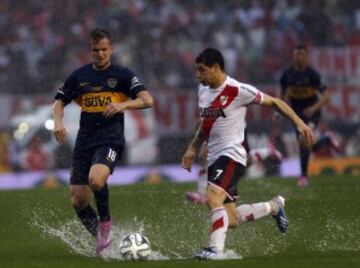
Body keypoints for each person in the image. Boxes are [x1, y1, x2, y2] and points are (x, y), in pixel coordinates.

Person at [181, 48, 314, 260]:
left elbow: (275, 102)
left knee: (212, 197)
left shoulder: (237, 89)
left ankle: (215, 250)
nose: (198, 75)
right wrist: (193, 148)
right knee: (231, 218)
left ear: (216, 68)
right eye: (196, 71)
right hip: (215, 157)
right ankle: (273, 206)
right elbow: (206, 126)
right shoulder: (203, 91)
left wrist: (299, 123)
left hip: (232, 156)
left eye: (202, 70)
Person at [52, 28, 154, 255]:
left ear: (111, 49)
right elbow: (59, 101)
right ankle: (102, 241)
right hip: (84, 140)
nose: (100, 54)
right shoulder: (79, 76)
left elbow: (147, 100)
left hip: (110, 138)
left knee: (96, 180)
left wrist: (124, 104)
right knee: (78, 201)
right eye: (95, 50)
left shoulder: (123, 75)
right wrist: (58, 122)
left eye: (104, 49)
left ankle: (106, 222)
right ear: (90, 51)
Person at [279, 45, 339, 187]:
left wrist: (313, 108)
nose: (298, 57)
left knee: (304, 140)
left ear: (306, 56)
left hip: (312, 113)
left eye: (300, 54)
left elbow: (326, 95)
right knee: (304, 145)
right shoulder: (287, 75)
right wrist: (278, 111)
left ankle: (303, 177)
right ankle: (326, 139)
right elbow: (281, 95)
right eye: (296, 54)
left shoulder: (312, 75)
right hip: (296, 115)